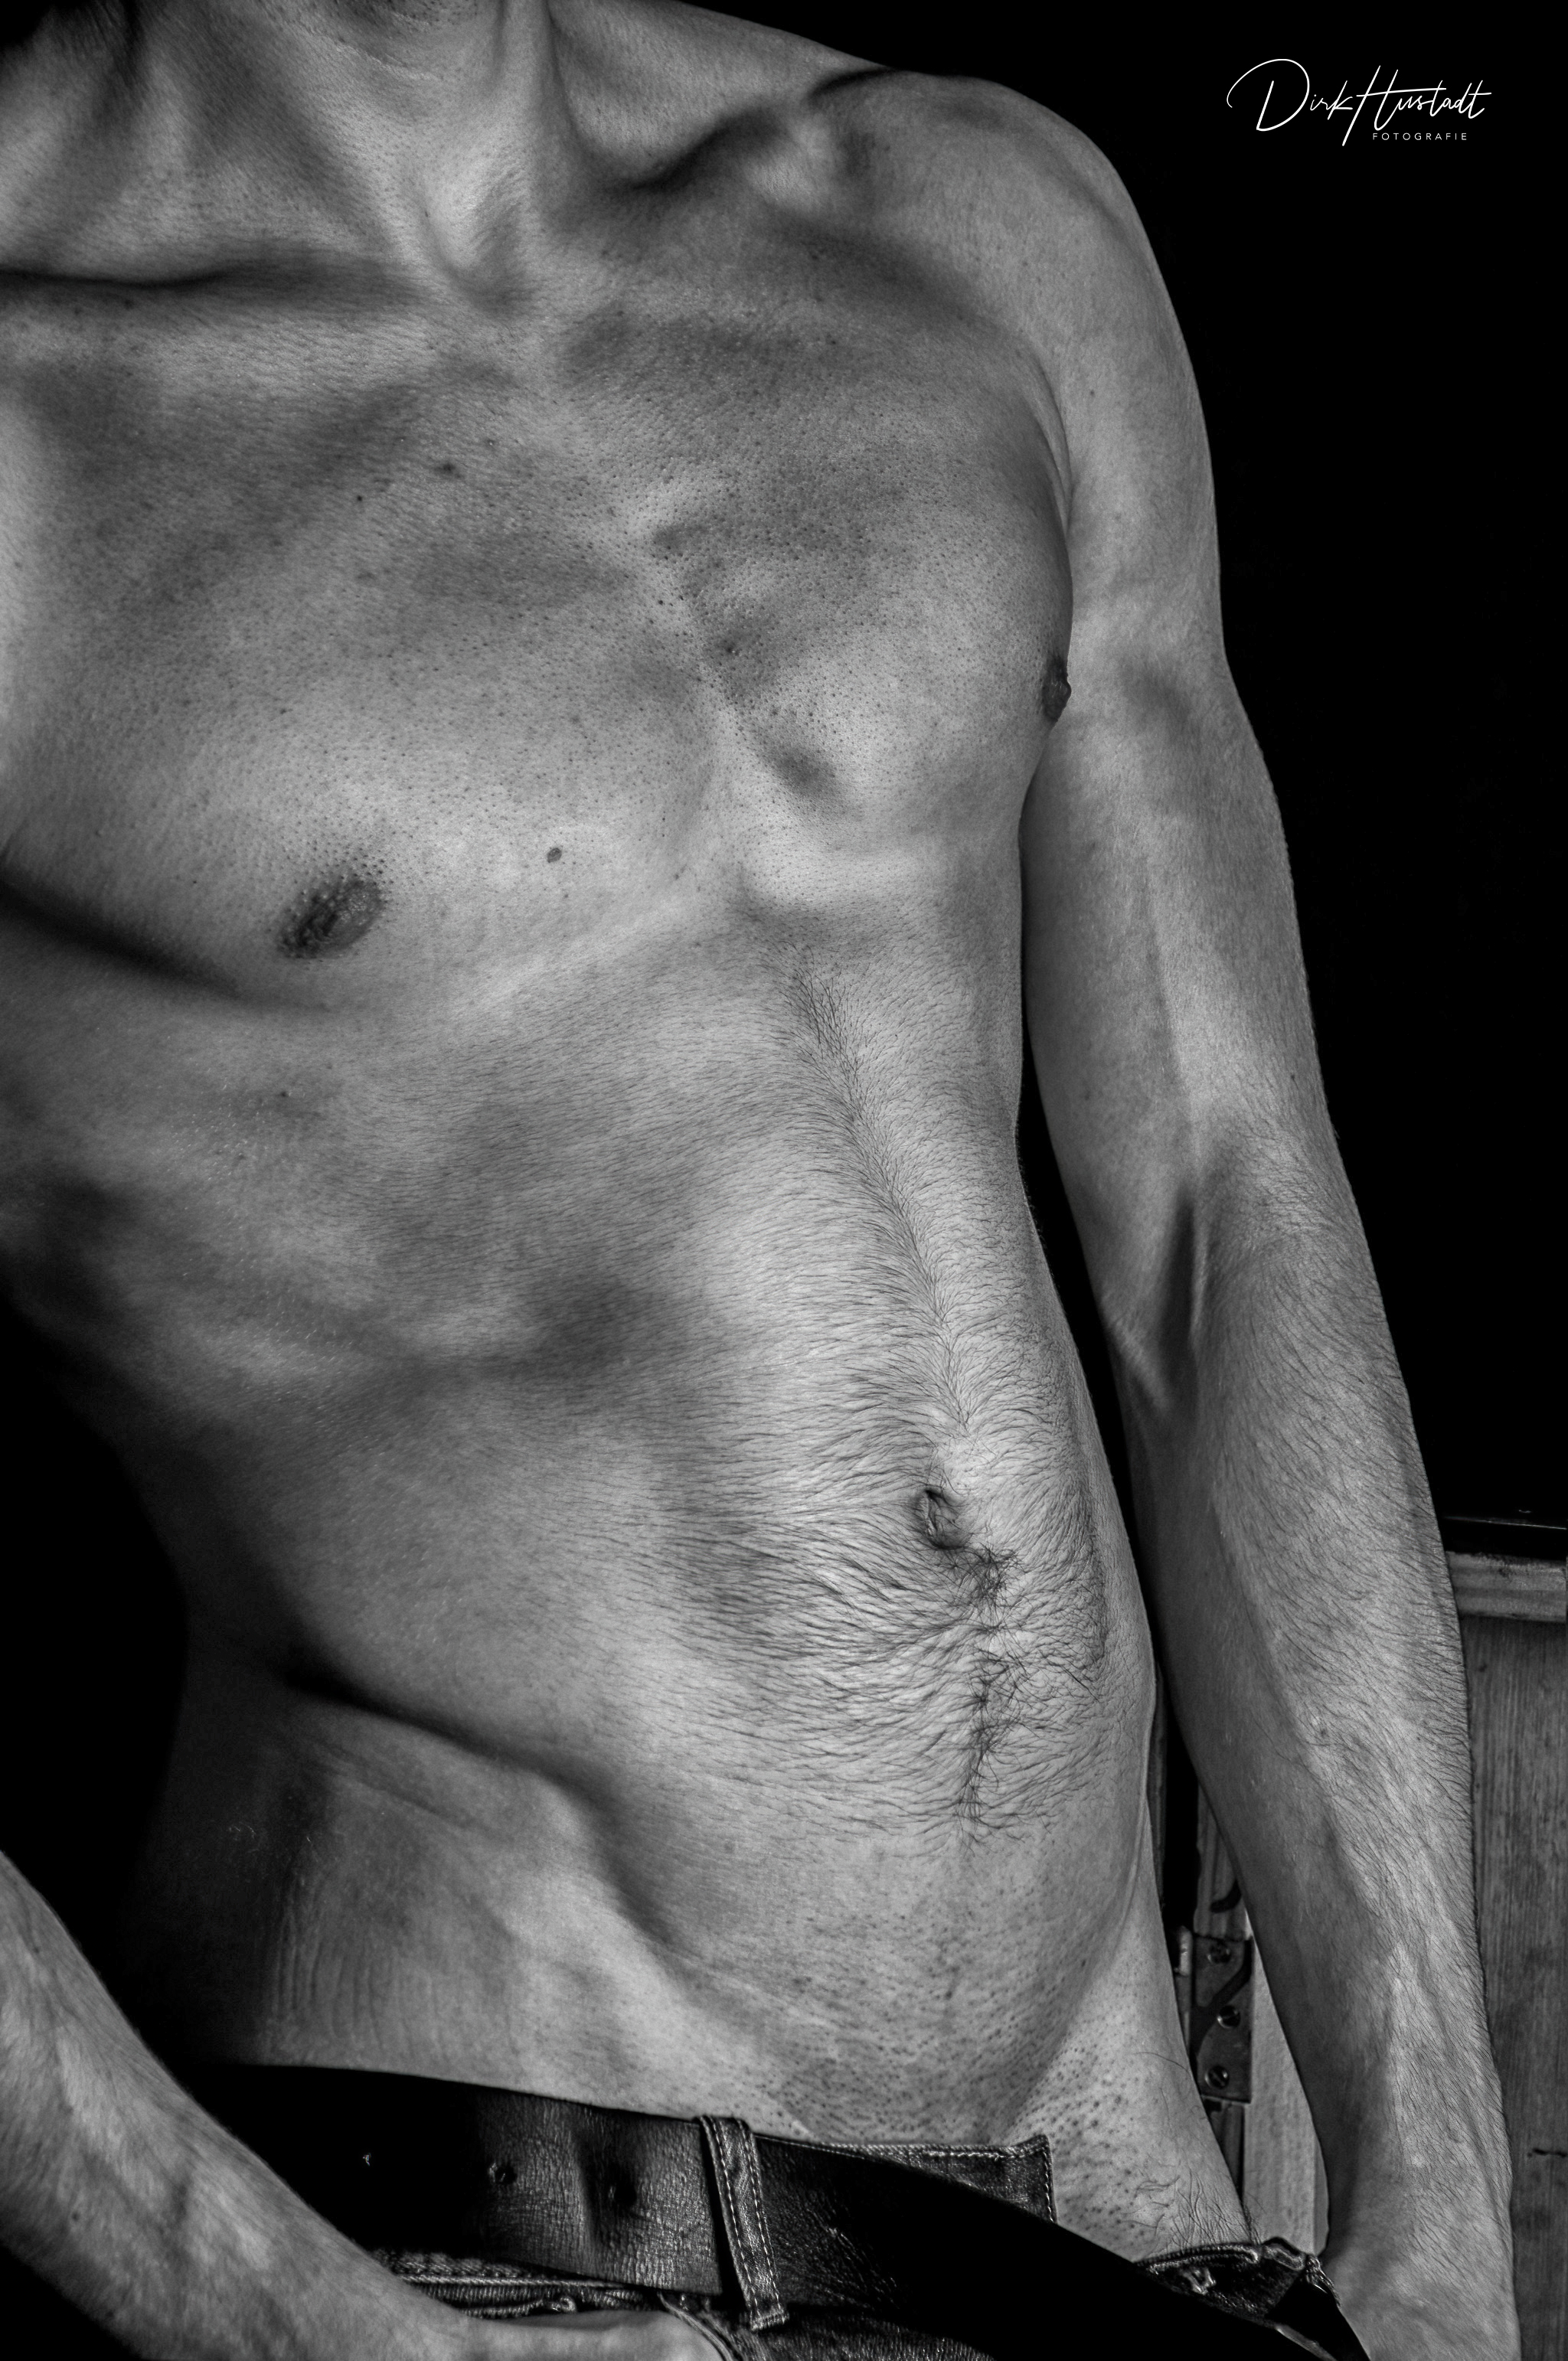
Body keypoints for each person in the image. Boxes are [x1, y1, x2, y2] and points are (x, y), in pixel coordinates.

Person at [0, 4, 1517, 2356]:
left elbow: (1228, 1220)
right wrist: (272, 2310)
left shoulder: (970, 221)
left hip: (1153, 2231)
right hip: (484, 2236)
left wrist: (1435, 2196)